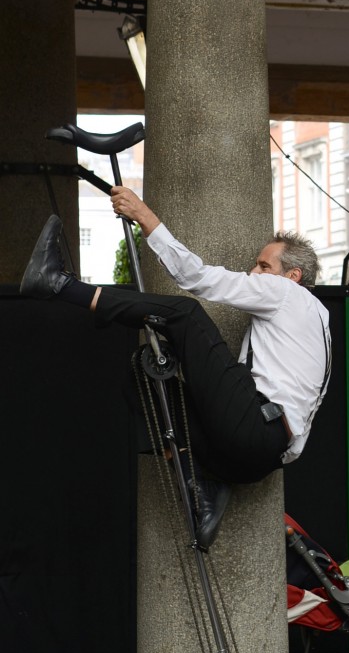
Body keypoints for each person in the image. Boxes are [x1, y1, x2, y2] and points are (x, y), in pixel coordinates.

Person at [19, 195, 331, 547]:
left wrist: (144, 215)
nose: (253, 274)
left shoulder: (288, 294)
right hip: (258, 462)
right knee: (146, 370)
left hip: (256, 427)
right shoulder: (320, 326)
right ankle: (200, 484)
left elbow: (195, 276)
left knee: (186, 314)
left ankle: (60, 285)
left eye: (263, 266)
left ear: (293, 276)